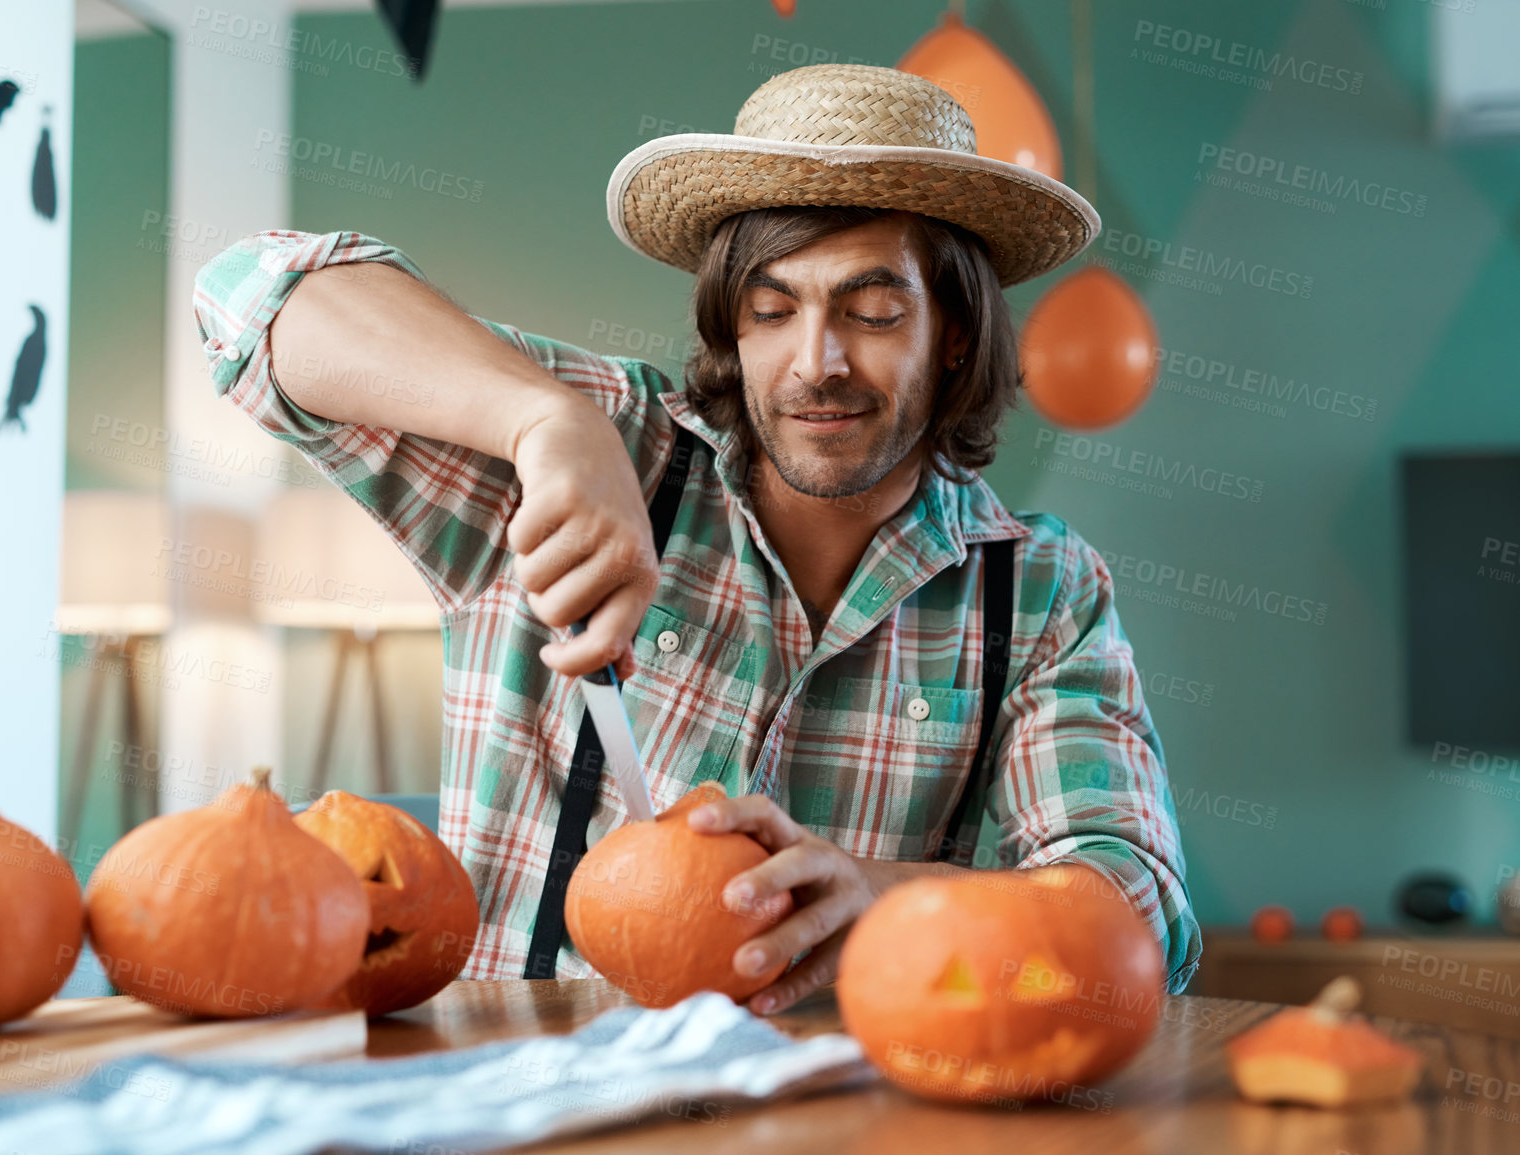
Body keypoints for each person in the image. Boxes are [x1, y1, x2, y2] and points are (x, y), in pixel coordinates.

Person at [193, 63, 1202, 1012]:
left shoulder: (1036, 589)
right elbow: (248, 298)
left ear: (957, 340)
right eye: (772, 310)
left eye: (876, 311)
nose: (819, 362)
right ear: (733, 330)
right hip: (513, 1104)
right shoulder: (608, 447)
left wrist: (879, 897)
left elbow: (1137, 915)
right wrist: (546, 423)